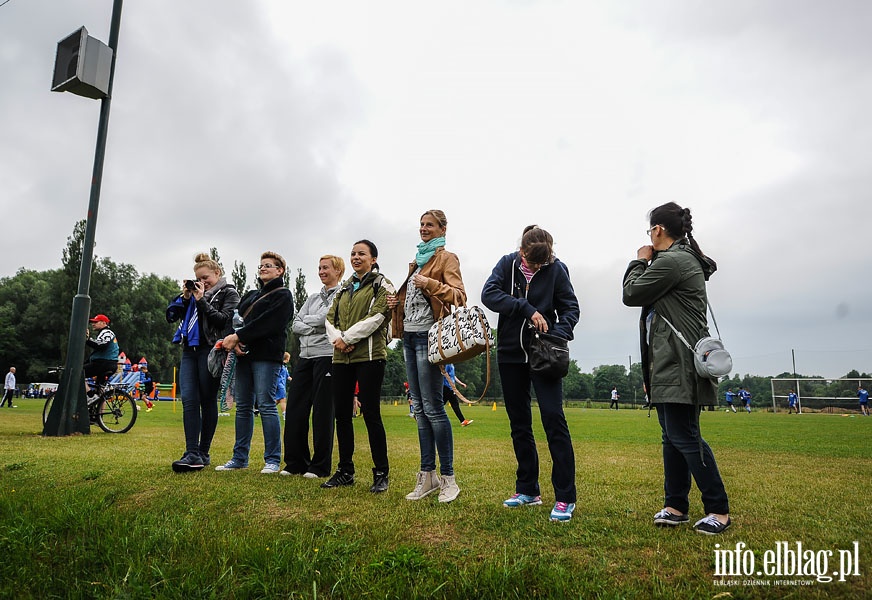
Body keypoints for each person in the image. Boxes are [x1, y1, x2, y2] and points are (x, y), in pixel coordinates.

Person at [622, 201, 731, 535]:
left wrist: (640, 259)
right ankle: (675, 506)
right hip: (670, 362)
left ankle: (718, 509)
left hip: (679, 364)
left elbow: (631, 293)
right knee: (672, 437)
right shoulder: (680, 259)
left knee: (685, 436)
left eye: (649, 231)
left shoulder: (674, 261)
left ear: (657, 230)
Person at [482, 225, 580, 522]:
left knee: (553, 420)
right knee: (519, 424)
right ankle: (528, 489)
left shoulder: (557, 269)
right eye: (532, 262)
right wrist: (525, 308)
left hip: (545, 356)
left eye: (542, 263)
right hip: (511, 354)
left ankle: (565, 497)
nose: (537, 267)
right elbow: (489, 294)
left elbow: (570, 309)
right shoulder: (506, 263)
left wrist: (556, 334)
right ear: (521, 251)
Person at [388, 210, 467, 503]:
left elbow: (459, 295)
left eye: (429, 225)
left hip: (429, 338)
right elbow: (415, 301)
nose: (423, 229)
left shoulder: (447, 258)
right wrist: (397, 304)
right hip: (409, 337)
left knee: (434, 408)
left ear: (442, 229)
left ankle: (449, 479)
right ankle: (427, 475)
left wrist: (429, 284)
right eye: (421, 224)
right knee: (419, 409)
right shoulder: (416, 261)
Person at [323, 240, 393, 493]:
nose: (355, 257)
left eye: (361, 253)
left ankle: (381, 473)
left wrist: (347, 338)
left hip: (370, 357)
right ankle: (345, 471)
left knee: (371, 414)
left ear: (373, 259)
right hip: (341, 358)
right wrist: (337, 341)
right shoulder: (343, 289)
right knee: (342, 415)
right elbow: (329, 318)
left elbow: (378, 315)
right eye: (352, 253)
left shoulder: (381, 284)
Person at [217, 251, 293, 474]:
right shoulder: (250, 295)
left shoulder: (283, 295)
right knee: (243, 407)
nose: (263, 269)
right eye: (261, 266)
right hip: (244, 355)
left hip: (267, 356)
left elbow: (269, 323)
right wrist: (235, 340)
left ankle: (272, 459)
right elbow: (237, 320)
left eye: (268, 265)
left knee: (267, 404)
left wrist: (239, 337)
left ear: (280, 271)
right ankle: (239, 457)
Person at [166, 253, 240, 472]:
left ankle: (203, 452)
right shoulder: (195, 294)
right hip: (190, 349)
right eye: (198, 278)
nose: (203, 282)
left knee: (207, 401)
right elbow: (171, 316)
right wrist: (186, 296)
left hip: (211, 350)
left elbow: (224, 320)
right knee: (188, 399)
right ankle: (191, 452)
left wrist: (202, 300)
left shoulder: (229, 293)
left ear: (217, 273)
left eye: (206, 277)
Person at [282, 254, 344, 478]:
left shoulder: (343, 295)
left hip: (327, 356)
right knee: (296, 408)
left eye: (326, 268)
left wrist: (312, 322)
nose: (321, 271)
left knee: (322, 412)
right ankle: (295, 463)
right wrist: (313, 323)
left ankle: (319, 466)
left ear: (338, 271)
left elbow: (325, 320)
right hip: (305, 357)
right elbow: (296, 324)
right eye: (319, 268)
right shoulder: (312, 297)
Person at [84, 314, 120, 397]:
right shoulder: (105, 333)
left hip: (103, 364)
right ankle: (99, 408)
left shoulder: (107, 332)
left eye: (96, 322)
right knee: (100, 393)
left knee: (77, 373)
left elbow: (101, 345)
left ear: (104, 323)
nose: (93, 324)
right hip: (109, 364)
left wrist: (88, 340)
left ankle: (90, 395)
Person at [275, 352, 290, 419]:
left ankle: (264, 409)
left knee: (278, 400)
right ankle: (285, 414)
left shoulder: (284, 367)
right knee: (283, 399)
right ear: (286, 359)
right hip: (279, 384)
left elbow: (288, 377)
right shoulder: (280, 366)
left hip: (282, 385)